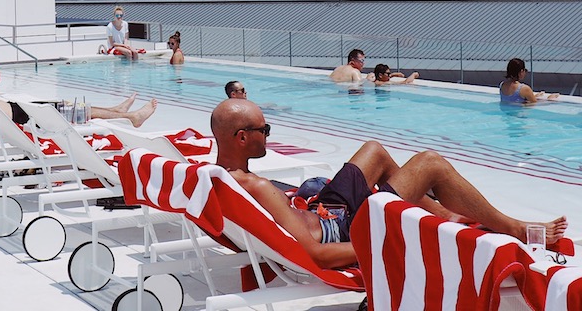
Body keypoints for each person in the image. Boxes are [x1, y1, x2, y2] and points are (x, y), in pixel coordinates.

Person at [211, 98, 567, 269]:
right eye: (264, 130)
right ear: (242, 138)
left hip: (327, 212)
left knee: (374, 151)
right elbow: (315, 253)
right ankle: (515, 228)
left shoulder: (219, 179)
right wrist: (389, 242)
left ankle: (443, 211)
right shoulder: (254, 187)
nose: (269, 135)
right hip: (346, 230)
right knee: (429, 163)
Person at [0, 75, 158, 128]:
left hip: (17, 110)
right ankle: (131, 117)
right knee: (74, 111)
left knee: (72, 106)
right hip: (20, 117)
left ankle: (117, 111)